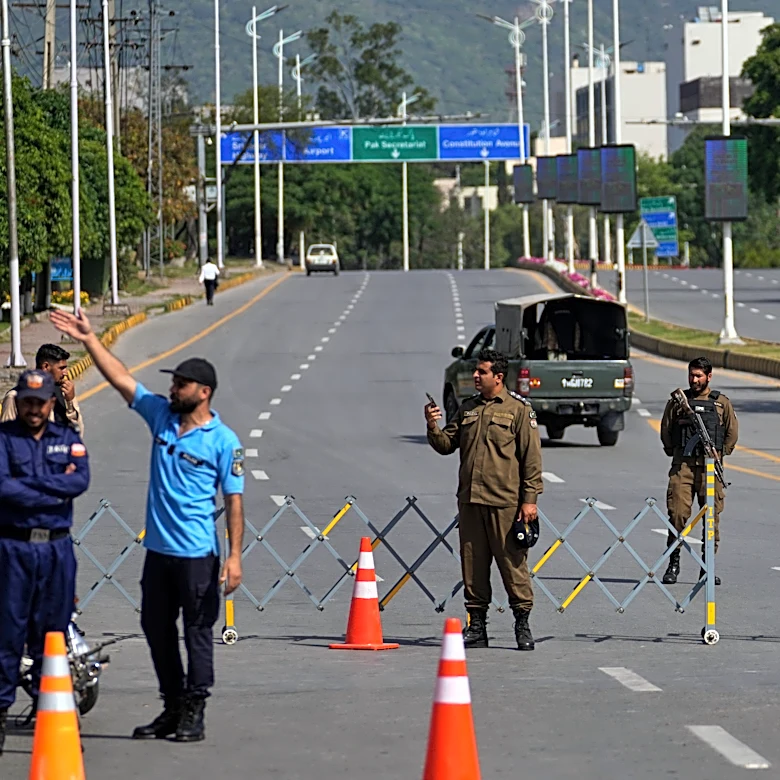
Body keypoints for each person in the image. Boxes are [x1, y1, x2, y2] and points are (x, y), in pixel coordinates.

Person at [50, 307, 245, 744]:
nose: (172, 388)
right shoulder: (161, 416)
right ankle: (172, 706)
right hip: (158, 553)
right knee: (156, 630)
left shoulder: (223, 441)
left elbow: (234, 501)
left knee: (196, 634)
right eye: (172, 383)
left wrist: (233, 557)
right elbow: (122, 379)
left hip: (197, 556)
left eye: (180, 384)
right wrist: (89, 339)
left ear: (204, 392)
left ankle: (195, 710)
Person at [425, 348, 544, 651]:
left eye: (482, 372)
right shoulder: (467, 409)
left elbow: (531, 460)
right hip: (471, 502)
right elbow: (446, 444)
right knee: (473, 566)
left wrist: (529, 501)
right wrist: (432, 426)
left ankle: (522, 624)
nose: (475, 376)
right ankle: (477, 626)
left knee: (512, 565)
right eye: (476, 371)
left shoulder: (519, 411)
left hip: (505, 503)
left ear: (499, 377)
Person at [0, 370, 90, 755]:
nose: (33, 409)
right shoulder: (3, 440)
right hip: (13, 548)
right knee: (7, 633)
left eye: (40, 402)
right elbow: (2, 486)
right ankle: (1, 712)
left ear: (52, 403)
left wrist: (29, 488)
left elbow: (80, 481)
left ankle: (51, 712)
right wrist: (51, 489)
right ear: (18, 402)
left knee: (53, 633)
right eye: (27, 401)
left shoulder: (67, 440)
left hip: (55, 550)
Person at [660, 356, 738, 586]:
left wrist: (720, 451)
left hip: (710, 468)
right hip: (683, 467)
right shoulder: (678, 402)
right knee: (677, 515)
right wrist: (674, 450)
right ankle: (673, 564)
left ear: (709, 377)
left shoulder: (721, 403)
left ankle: (707, 568)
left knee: (710, 519)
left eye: (699, 376)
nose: (694, 380)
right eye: (691, 375)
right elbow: (666, 429)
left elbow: (732, 433)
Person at [1, 344, 84, 435]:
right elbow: (6, 437)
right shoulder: (14, 397)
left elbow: (77, 433)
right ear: (46, 367)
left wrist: (70, 402)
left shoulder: (62, 392)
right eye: (61, 368)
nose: (65, 373)